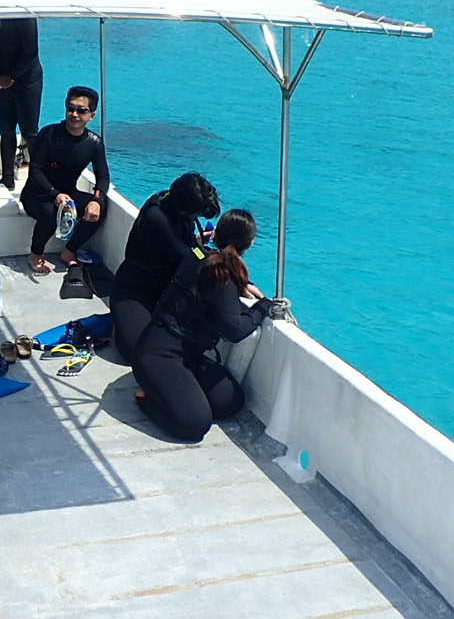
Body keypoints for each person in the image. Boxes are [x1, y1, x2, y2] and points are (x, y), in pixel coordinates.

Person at [131, 208, 280, 443]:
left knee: (230, 402)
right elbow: (235, 330)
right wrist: (262, 307)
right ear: (248, 244)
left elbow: (212, 287)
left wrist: (243, 284)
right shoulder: (221, 277)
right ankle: (145, 398)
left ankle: (174, 391)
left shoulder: (200, 255)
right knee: (195, 425)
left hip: (186, 354)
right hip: (158, 355)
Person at [111, 172, 220, 364]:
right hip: (135, 290)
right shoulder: (157, 216)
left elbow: (182, 250)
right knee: (137, 352)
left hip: (167, 289)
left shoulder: (174, 203)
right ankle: (123, 323)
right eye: (195, 214)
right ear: (183, 208)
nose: (197, 217)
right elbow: (189, 258)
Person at [21, 85, 110, 275]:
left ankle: (69, 251)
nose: (74, 114)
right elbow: (35, 171)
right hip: (37, 195)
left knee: (101, 207)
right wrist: (54, 194)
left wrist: (97, 200)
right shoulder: (49, 133)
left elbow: (103, 176)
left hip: (68, 195)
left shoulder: (94, 143)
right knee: (50, 211)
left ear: (91, 115)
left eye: (81, 110)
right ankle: (35, 254)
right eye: (71, 108)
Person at [0, 17, 43, 189]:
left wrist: (12, 77)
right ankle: (7, 177)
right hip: (2, 77)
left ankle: (38, 177)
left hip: (27, 78)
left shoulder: (24, 16)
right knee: (5, 129)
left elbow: (31, 52)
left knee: (29, 131)